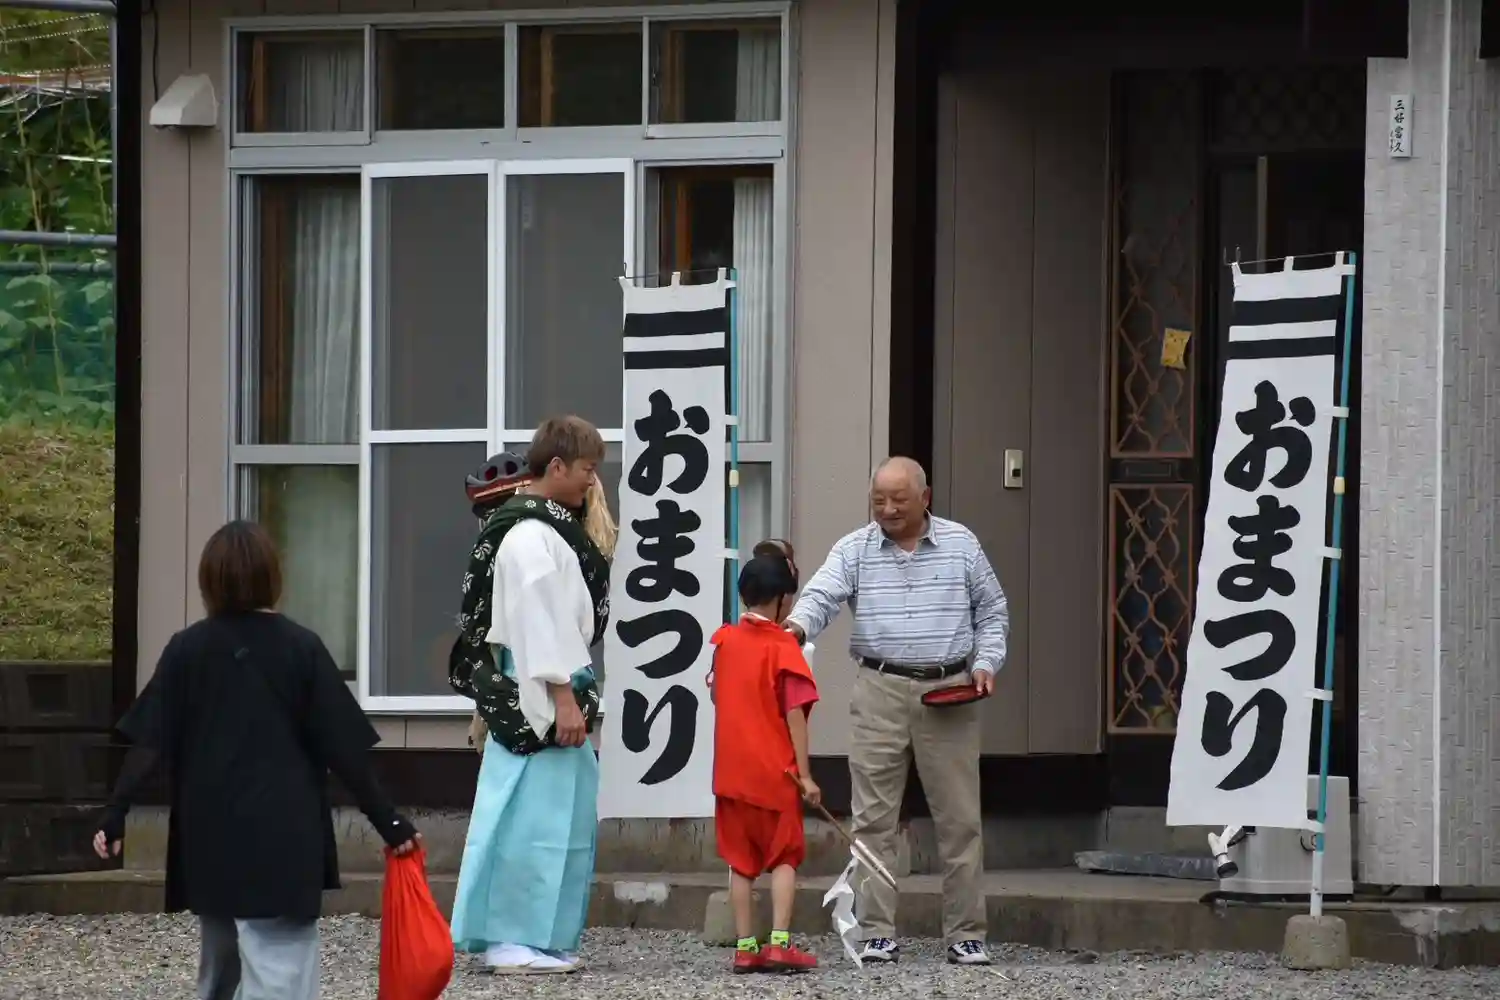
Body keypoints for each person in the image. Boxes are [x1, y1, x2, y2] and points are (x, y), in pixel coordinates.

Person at [92, 520, 420, 1000]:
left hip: (208, 835)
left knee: (221, 966)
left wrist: (116, 812)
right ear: (272, 576)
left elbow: (149, 742)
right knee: (280, 966)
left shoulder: (187, 649)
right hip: (282, 835)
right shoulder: (301, 648)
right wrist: (388, 822)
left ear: (210, 580)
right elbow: (343, 750)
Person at [783, 456, 1009, 967]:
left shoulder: (961, 544)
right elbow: (822, 595)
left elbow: (993, 610)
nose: (887, 509)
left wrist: (986, 662)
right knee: (872, 820)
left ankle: (966, 933)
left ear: (924, 498)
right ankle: (876, 931)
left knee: (960, 820)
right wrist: (796, 628)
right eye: (878, 500)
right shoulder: (855, 548)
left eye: (899, 500)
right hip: (878, 688)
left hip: (949, 690)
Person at [447, 416, 616, 975]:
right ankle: (509, 936)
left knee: (560, 818)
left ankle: (542, 935)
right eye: (587, 469)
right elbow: (538, 621)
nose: (592, 480)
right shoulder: (526, 534)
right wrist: (563, 696)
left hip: (553, 680)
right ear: (558, 466)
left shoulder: (545, 528)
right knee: (527, 818)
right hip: (539, 688)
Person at [708, 547, 821, 974]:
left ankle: (744, 946)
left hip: (731, 773)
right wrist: (806, 777)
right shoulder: (784, 648)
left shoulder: (724, 642)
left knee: (741, 862)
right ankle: (779, 943)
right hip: (776, 774)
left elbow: (716, 694)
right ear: (782, 599)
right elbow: (795, 717)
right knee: (784, 857)